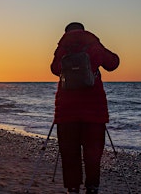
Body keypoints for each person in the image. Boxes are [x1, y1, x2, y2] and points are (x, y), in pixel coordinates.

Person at [50, 22, 119, 194]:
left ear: (67, 32)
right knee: (93, 153)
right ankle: (92, 188)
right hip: (94, 110)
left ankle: (73, 189)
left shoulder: (63, 46)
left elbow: (54, 69)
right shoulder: (93, 44)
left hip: (66, 110)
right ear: (83, 29)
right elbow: (112, 63)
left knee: (69, 153)